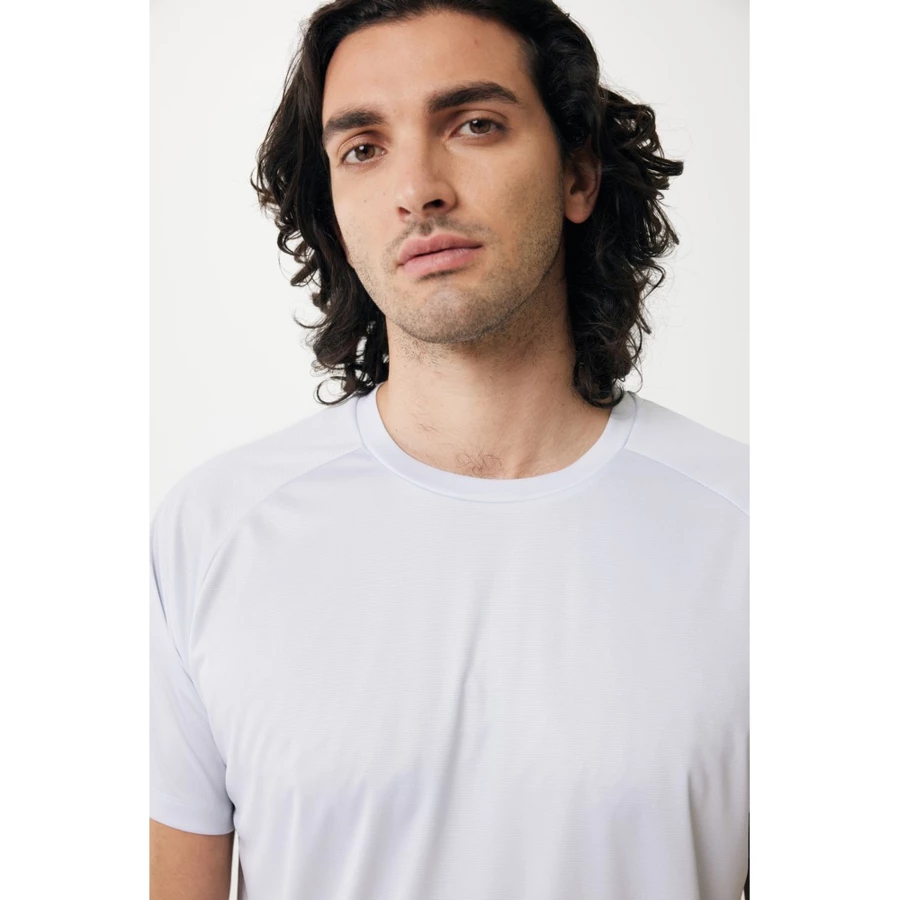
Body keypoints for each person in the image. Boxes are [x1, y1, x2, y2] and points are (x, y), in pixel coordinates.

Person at [149, 0, 749, 897]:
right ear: (335, 209)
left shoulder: (755, 534)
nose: (418, 189)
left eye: (474, 124)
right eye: (364, 147)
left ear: (579, 174)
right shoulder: (209, 534)